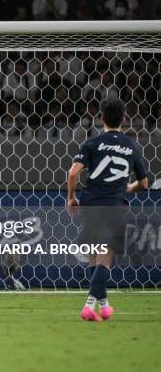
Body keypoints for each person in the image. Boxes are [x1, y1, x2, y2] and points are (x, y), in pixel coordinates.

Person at [67, 98, 148, 321]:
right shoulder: (132, 146)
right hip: (114, 206)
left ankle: (103, 306)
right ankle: (88, 306)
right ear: (123, 119)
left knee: (93, 256)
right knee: (105, 259)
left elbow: (73, 173)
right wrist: (126, 189)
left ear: (101, 118)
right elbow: (144, 183)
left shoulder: (92, 143)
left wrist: (71, 198)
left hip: (91, 204)